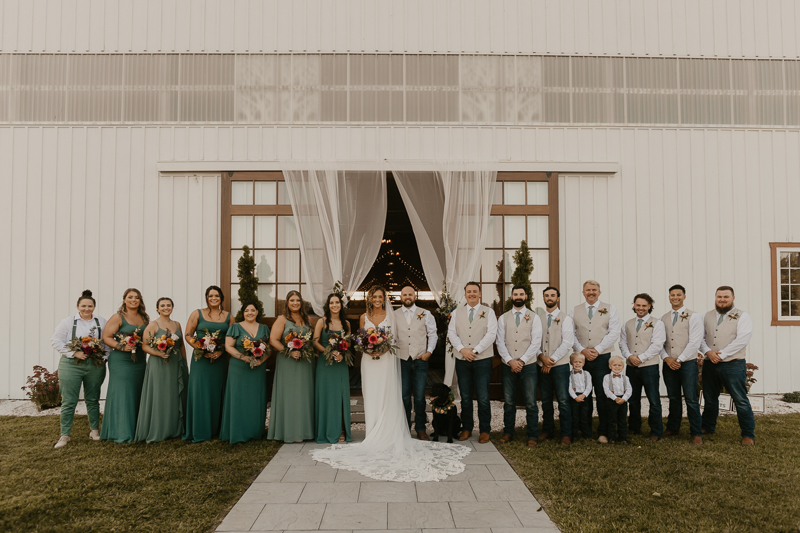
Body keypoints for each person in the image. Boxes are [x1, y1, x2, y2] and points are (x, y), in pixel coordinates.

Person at [311, 285, 470, 482]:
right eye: (374, 297)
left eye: (380, 297)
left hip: (386, 360)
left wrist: (383, 348)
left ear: (384, 298)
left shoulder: (391, 315)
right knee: (372, 394)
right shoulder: (363, 317)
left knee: (388, 394)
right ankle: (373, 432)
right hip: (369, 362)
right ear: (369, 299)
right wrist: (368, 350)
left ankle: (392, 430)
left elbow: (394, 338)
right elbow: (359, 342)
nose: (377, 299)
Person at [50, 290, 109, 449]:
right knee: (69, 400)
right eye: (83, 306)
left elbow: (108, 341)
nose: (86, 309)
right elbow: (55, 340)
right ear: (78, 306)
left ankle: (94, 431)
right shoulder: (68, 322)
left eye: (90, 306)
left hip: (94, 365)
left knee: (93, 399)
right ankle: (65, 435)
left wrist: (104, 357)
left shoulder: (101, 322)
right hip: (71, 365)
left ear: (94, 307)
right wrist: (74, 352)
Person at [700, 286, 755, 445]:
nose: (722, 300)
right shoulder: (706, 316)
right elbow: (700, 338)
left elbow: (742, 340)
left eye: (726, 297)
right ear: (715, 297)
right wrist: (708, 352)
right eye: (719, 297)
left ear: (733, 298)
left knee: (740, 400)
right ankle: (708, 426)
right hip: (710, 363)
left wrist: (721, 355)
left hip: (733, 365)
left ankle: (748, 434)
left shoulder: (742, 316)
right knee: (710, 399)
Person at [569, 280, 620, 443]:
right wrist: (582, 350)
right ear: (583, 292)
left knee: (602, 394)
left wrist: (597, 350)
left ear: (599, 292)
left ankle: (603, 432)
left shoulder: (610, 309)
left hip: (602, 357)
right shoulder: (574, 310)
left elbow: (614, 333)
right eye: (588, 290)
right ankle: (584, 430)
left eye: (594, 289)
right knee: (582, 393)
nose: (591, 292)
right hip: (580, 358)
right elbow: (571, 333)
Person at [447, 282, 498, 444]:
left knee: (483, 396)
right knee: (466, 396)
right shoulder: (457, 313)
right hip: (462, 359)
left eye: (475, 291)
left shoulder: (488, 312)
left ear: (480, 294)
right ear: (465, 295)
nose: (472, 294)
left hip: (482, 359)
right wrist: (463, 350)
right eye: (469, 292)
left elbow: (491, 334)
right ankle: (467, 428)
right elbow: (452, 333)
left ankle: (484, 430)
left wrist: (475, 350)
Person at [183, 286, 234, 443]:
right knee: (200, 393)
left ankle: (218, 430)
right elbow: (188, 334)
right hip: (201, 361)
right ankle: (200, 430)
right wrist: (200, 347)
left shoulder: (228, 316)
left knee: (217, 392)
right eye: (211, 295)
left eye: (217, 295)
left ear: (221, 298)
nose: (214, 298)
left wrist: (221, 352)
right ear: (206, 297)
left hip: (220, 361)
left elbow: (232, 338)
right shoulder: (197, 313)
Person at [135, 297, 188, 443]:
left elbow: (181, 345)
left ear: (172, 307)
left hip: (175, 363)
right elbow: (145, 345)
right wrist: (158, 353)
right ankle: (159, 429)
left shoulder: (177, 324)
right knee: (160, 395)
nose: (166, 308)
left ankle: (175, 428)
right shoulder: (153, 325)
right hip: (158, 364)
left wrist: (184, 362)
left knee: (173, 395)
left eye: (169, 305)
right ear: (157, 308)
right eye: (162, 306)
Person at [496, 285, 543, 447]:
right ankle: (508, 432)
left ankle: (532, 435)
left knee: (530, 402)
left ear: (526, 297)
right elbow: (499, 342)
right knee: (509, 402)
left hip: (528, 365)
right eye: (515, 294)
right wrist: (510, 361)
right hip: (508, 365)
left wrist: (521, 361)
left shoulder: (534, 317)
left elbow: (536, 342)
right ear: (511, 297)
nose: (518, 296)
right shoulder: (503, 318)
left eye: (521, 294)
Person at [101, 288, 149, 443]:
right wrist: (121, 346)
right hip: (121, 361)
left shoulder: (144, 317)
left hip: (140, 361)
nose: (133, 300)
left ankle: (137, 429)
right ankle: (121, 432)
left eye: (136, 297)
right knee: (123, 393)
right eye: (130, 297)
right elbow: (106, 337)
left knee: (137, 392)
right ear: (124, 300)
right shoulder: (118, 317)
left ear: (140, 300)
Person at [268, 291, 315, 443]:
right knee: (289, 395)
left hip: (305, 363)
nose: (295, 303)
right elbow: (273, 340)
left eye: (298, 300)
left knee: (304, 394)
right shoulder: (282, 319)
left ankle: (305, 431)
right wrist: (288, 351)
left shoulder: (307, 318)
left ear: (302, 302)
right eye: (292, 300)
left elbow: (311, 339)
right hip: (288, 362)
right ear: (287, 303)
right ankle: (288, 432)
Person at [220, 302, 270, 444]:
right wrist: (245, 358)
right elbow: (228, 346)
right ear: (243, 312)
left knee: (255, 398)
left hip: (257, 368)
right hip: (239, 368)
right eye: (247, 310)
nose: (250, 313)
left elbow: (269, 349)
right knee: (238, 397)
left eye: (252, 310)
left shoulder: (264, 328)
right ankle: (238, 431)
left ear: (257, 312)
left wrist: (262, 360)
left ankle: (255, 431)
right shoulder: (235, 327)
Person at [660, 284, 704, 444]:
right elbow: (659, 342)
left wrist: (678, 360)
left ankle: (696, 431)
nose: (675, 297)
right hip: (668, 363)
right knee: (673, 397)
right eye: (672, 295)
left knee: (691, 398)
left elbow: (695, 342)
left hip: (687, 363)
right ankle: (673, 427)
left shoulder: (693, 316)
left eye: (678, 295)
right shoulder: (663, 318)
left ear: (684, 296)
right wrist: (666, 358)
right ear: (669, 296)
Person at [619, 293, 665, 442]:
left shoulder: (657, 323)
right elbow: (623, 343)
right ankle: (634, 427)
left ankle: (656, 431)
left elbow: (657, 344)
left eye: (644, 305)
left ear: (650, 306)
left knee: (653, 399)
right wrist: (629, 357)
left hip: (649, 367)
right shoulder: (628, 323)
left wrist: (641, 358)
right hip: (631, 366)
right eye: (638, 305)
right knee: (633, 399)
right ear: (634, 306)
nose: (640, 308)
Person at [395, 285, 437, 440]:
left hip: (420, 360)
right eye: (405, 294)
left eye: (410, 294)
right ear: (401, 297)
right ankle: (405, 428)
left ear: (415, 296)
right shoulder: (394, 315)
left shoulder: (426, 314)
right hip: (402, 359)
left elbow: (433, 334)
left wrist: (429, 353)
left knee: (419, 397)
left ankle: (420, 429)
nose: (407, 297)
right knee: (404, 396)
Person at [536, 286, 575, 446]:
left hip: (560, 365)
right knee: (545, 400)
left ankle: (566, 433)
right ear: (544, 298)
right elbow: (534, 340)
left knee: (563, 400)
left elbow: (567, 343)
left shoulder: (565, 318)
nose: (549, 298)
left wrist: (550, 360)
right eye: (547, 295)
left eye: (553, 295)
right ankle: (548, 430)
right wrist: (541, 358)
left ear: (557, 298)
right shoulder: (538, 318)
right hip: (541, 364)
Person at [313, 293, 352, 443]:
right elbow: (315, 342)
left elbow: (347, 343)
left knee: (340, 397)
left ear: (341, 305)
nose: (334, 305)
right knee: (326, 396)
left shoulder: (346, 324)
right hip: (326, 364)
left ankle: (341, 430)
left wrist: (342, 352)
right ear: (328, 305)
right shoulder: (321, 321)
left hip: (340, 364)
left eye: (337, 302)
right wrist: (329, 351)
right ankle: (324, 430)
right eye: (331, 303)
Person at [603, 355, 632, 445]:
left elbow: (629, 389)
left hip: (623, 400)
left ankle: (622, 438)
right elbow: (606, 390)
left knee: (622, 420)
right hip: (611, 400)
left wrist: (624, 399)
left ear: (623, 367)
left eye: (619, 365)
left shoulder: (625, 378)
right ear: (610, 366)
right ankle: (612, 438)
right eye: (614, 365)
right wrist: (615, 398)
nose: (617, 367)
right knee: (612, 419)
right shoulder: (607, 377)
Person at [568, 353, 592, 441]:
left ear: (583, 363)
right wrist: (575, 397)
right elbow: (569, 387)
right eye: (575, 362)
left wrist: (584, 395)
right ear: (571, 363)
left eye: (580, 362)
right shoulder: (569, 374)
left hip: (584, 396)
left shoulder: (587, 374)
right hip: (574, 397)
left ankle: (587, 435)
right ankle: (574, 435)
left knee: (584, 416)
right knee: (575, 417)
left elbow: (589, 386)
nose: (577, 364)